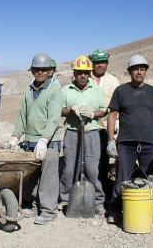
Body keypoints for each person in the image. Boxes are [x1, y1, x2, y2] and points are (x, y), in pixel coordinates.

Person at [106, 54, 153, 226]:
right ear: (130, 71)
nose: (139, 72)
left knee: (150, 178)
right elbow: (112, 116)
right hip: (126, 142)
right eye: (135, 69)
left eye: (142, 69)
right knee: (122, 178)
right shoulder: (121, 91)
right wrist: (111, 141)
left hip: (149, 143)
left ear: (145, 71)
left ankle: (152, 212)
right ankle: (115, 210)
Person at [9, 53, 62, 225]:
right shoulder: (29, 89)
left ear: (49, 71)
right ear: (32, 70)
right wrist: (15, 136)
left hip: (48, 143)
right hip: (30, 142)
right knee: (32, 177)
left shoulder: (54, 90)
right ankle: (34, 205)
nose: (40, 72)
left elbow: (54, 118)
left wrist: (44, 140)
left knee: (48, 178)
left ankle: (49, 210)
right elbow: (22, 115)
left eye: (43, 70)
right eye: (36, 69)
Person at [60, 55, 107, 214]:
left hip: (92, 133)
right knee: (69, 168)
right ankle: (66, 198)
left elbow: (103, 110)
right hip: (72, 133)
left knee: (92, 169)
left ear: (90, 73)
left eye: (86, 72)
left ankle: (97, 201)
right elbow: (59, 110)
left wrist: (93, 114)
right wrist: (71, 110)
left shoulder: (97, 90)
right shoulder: (66, 90)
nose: (82, 75)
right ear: (74, 73)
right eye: (79, 72)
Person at [89, 49, 120, 202]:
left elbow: (117, 106)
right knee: (87, 160)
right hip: (87, 127)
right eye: (96, 62)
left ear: (107, 64)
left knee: (102, 162)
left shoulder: (113, 81)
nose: (99, 65)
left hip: (104, 128)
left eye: (102, 62)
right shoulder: (85, 78)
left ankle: (100, 195)